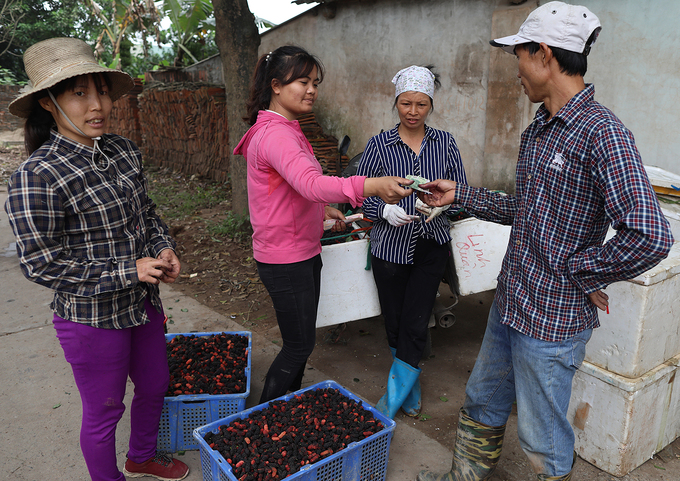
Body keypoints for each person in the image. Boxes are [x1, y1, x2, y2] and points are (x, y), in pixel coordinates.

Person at [415, 3, 674, 481]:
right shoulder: (541, 128)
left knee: (542, 436)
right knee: (483, 400)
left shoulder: (603, 134)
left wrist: (581, 271)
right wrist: (463, 195)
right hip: (512, 300)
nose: (516, 68)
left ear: (544, 54)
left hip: (551, 322)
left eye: (520, 54)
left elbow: (651, 235)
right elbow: (531, 214)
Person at [4, 38, 188, 481]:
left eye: (101, 90)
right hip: (90, 319)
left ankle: (140, 456)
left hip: (142, 304)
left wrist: (162, 246)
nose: (97, 105)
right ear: (49, 103)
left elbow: (146, 213)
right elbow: (40, 264)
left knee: (155, 385)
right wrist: (130, 269)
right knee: (105, 410)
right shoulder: (37, 176)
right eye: (79, 93)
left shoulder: (123, 151)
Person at [233, 45, 414, 404]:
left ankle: (284, 410)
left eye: (315, 82)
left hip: (298, 251)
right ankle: (260, 418)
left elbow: (290, 192)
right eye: (303, 81)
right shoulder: (277, 135)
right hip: (286, 260)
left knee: (300, 344)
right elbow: (312, 184)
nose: (312, 89)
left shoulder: (284, 128)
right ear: (276, 86)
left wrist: (321, 212)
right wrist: (372, 185)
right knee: (298, 346)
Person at [356, 65, 467, 419]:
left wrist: (442, 210)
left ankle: (392, 399)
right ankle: (410, 386)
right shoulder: (379, 145)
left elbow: (459, 190)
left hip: (431, 243)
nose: (413, 111)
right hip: (389, 247)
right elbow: (358, 193)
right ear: (396, 102)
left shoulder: (445, 143)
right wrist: (383, 210)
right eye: (406, 103)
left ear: (431, 103)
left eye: (421, 104)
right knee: (395, 318)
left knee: (417, 320)